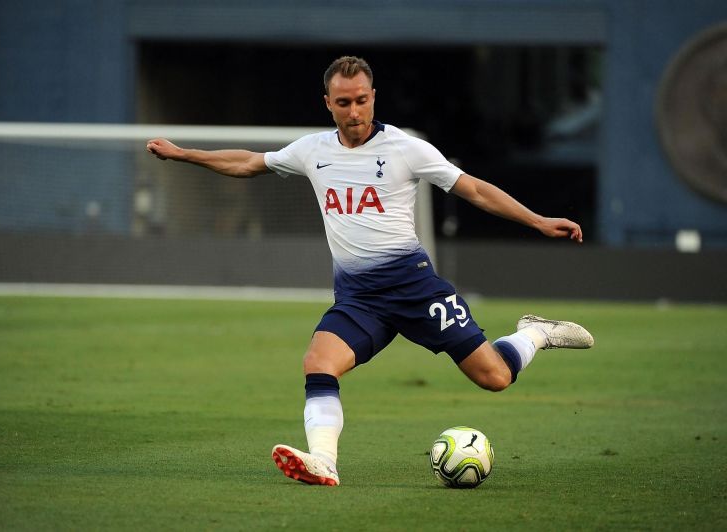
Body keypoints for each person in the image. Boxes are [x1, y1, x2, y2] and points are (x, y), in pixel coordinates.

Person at [146, 56, 594, 487]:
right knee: (318, 364)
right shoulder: (312, 151)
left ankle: (534, 333)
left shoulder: (406, 149)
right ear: (328, 103)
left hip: (415, 288)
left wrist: (537, 220)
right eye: (344, 102)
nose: (354, 110)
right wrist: (184, 155)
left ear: (374, 97)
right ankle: (323, 461)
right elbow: (249, 163)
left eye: (362, 99)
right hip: (359, 298)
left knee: (494, 377)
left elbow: (472, 189)